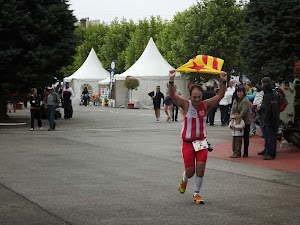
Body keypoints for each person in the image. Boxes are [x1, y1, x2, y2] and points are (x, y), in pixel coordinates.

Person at [169, 69, 227, 204]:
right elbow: (172, 95)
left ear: (202, 96)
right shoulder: (185, 104)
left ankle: (197, 194)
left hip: (201, 142)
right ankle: (184, 179)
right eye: (194, 97)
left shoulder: (205, 105)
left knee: (201, 169)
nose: (196, 100)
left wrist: (223, 81)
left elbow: (220, 95)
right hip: (188, 143)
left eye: (199, 97)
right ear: (190, 96)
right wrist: (171, 79)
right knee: (190, 172)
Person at [257, 77, 280, 160]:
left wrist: (265, 120)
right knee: (274, 136)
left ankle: (270, 153)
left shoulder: (267, 96)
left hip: (269, 119)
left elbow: (267, 109)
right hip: (276, 118)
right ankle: (273, 152)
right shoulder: (276, 94)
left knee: (269, 136)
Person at [230, 86, 251, 157]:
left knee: (245, 137)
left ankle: (245, 152)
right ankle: (237, 152)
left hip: (245, 121)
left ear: (243, 92)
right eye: (238, 92)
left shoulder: (246, 100)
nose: (239, 93)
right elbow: (232, 110)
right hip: (236, 120)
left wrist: (238, 120)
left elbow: (243, 112)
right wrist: (232, 118)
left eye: (240, 92)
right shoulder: (235, 100)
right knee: (237, 138)